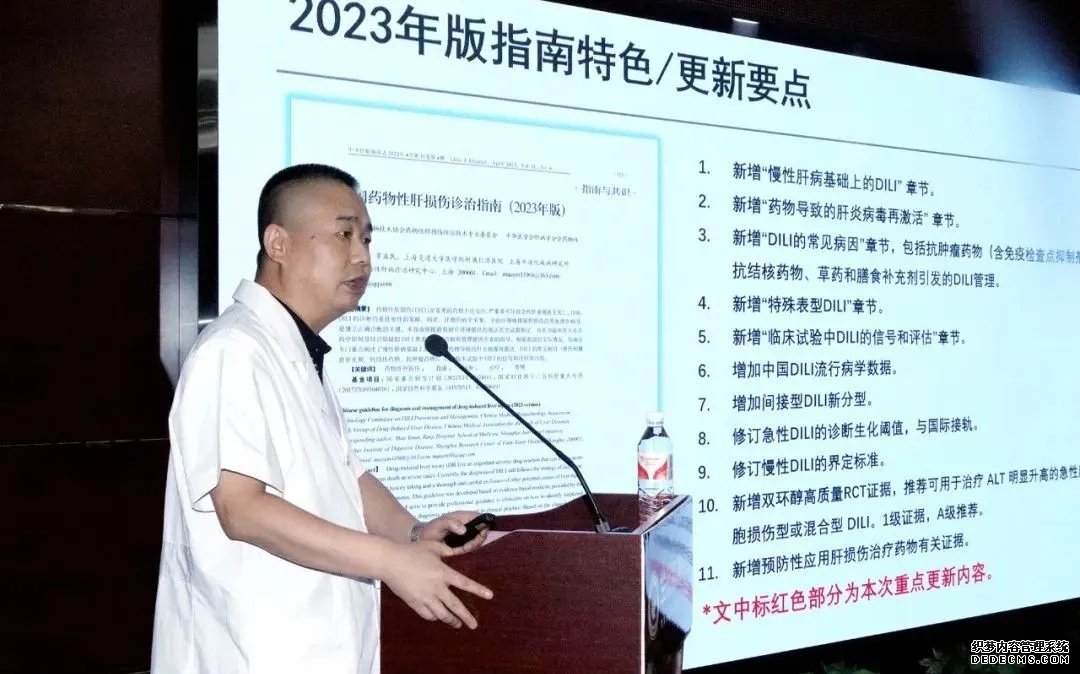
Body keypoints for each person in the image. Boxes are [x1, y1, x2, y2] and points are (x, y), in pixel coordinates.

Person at [151, 163, 493, 674]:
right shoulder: (234, 350)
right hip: (253, 654)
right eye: (343, 234)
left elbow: (347, 477)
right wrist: (388, 560)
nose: (362, 256)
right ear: (278, 243)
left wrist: (412, 533)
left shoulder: (295, 351)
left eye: (367, 238)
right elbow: (241, 508)